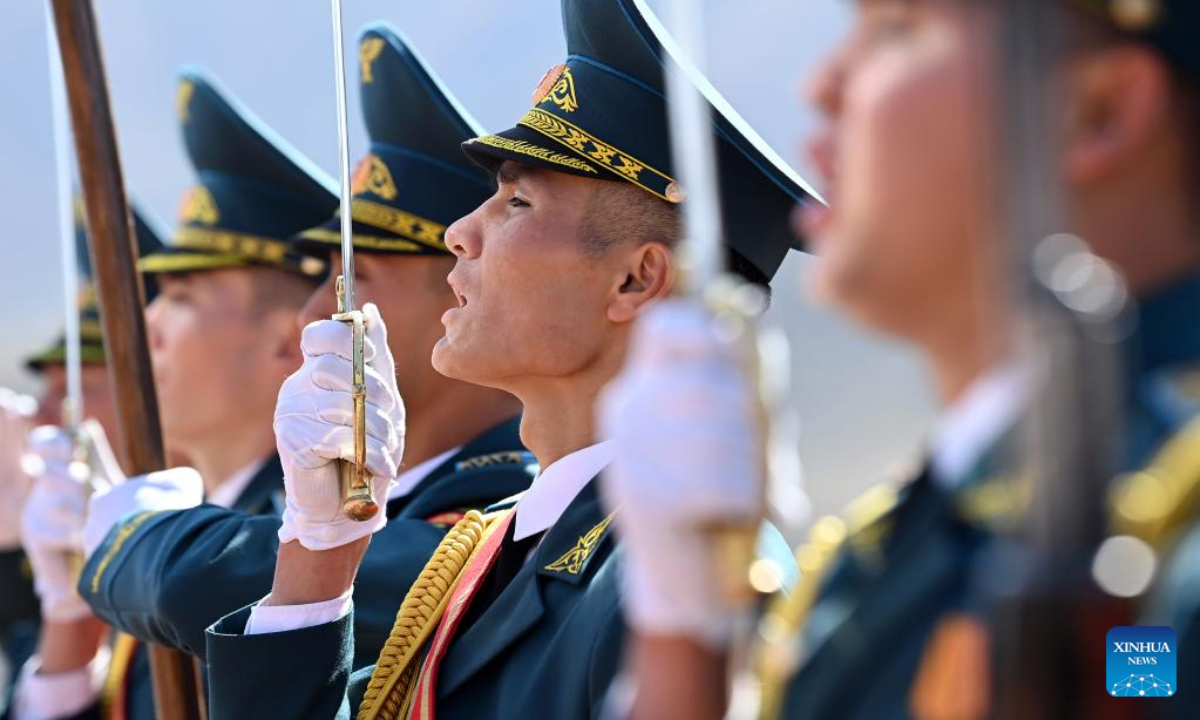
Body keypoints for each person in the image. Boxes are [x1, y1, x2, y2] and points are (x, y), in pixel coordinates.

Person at [200, 1, 815, 718]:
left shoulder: (677, 584)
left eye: (517, 203)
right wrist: (316, 559)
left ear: (636, 279)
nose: (459, 233)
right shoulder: (490, 552)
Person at [602, 0, 1200, 718]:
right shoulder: (873, 557)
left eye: (897, 29)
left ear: (1095, 112)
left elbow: (1151, 680)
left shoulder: (1168, 533)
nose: (820, 86)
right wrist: (683, 635)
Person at [80, 21, 532, 690]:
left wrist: (130, 537)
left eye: (356, 279)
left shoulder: (499, 510)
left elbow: (230, 576)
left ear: (461, 285)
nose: (309, 314)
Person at [14, 68, 337, 720]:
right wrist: (68, 627)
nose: (147, 324)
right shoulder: (206, 544)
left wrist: (129, 534)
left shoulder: (298, 540)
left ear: (289, 338)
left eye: (182, 298)